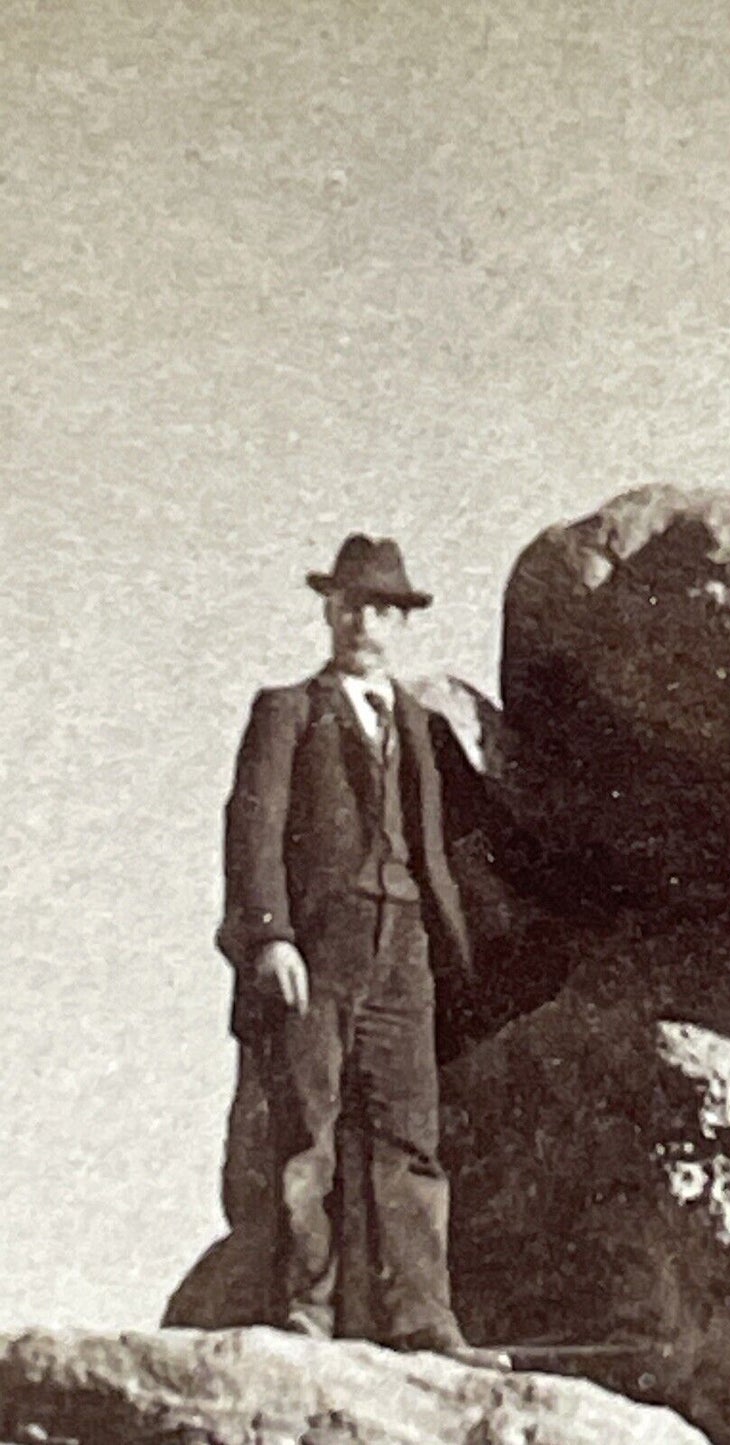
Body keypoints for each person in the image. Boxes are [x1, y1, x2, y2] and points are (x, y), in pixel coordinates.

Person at [216, 533, 505, 1365]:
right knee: (307, 1124)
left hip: (405, 946)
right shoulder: (288, 710)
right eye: (349, 604)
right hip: (319, 944)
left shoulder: (417, 723)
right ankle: (306, 1309)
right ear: (328, 610)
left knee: (409, 1133)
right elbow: (254, 828)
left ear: (403, 623)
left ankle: (423, 1320)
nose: (363, 621)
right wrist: (269, 936)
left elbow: (453, 844)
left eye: (381, 608)